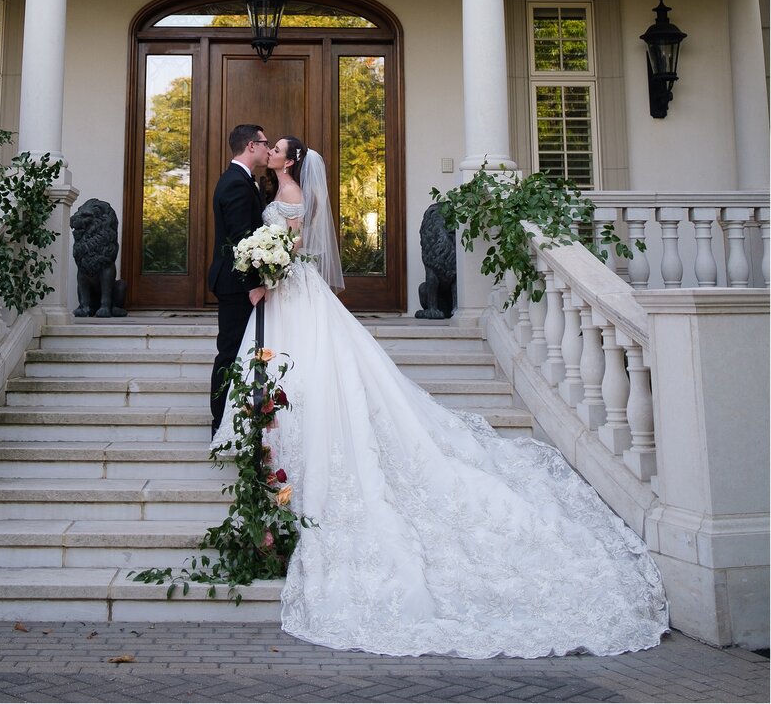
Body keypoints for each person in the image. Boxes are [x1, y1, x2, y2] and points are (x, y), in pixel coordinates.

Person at [214, 135, 668, 659]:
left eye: (278, 149)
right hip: (290, 293)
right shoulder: (276, 186)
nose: (271, 151)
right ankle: (273, 427)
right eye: (267, 147)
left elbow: (292, 245)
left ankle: (289, 427)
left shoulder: (290, 191)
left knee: (311, 363)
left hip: (292, 288)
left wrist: (271, 265)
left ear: (291, 161)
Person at [208, 123, 271, 435]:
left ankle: (238, 418)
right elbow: (239, 240)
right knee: (229, 353)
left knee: (237, 351)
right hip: (236, 285)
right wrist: (253, 284)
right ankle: (218, 423)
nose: (267, 148)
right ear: (250, 146)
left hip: (237, 283)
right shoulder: (235, 183)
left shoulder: (243, 180)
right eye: (264, 142)